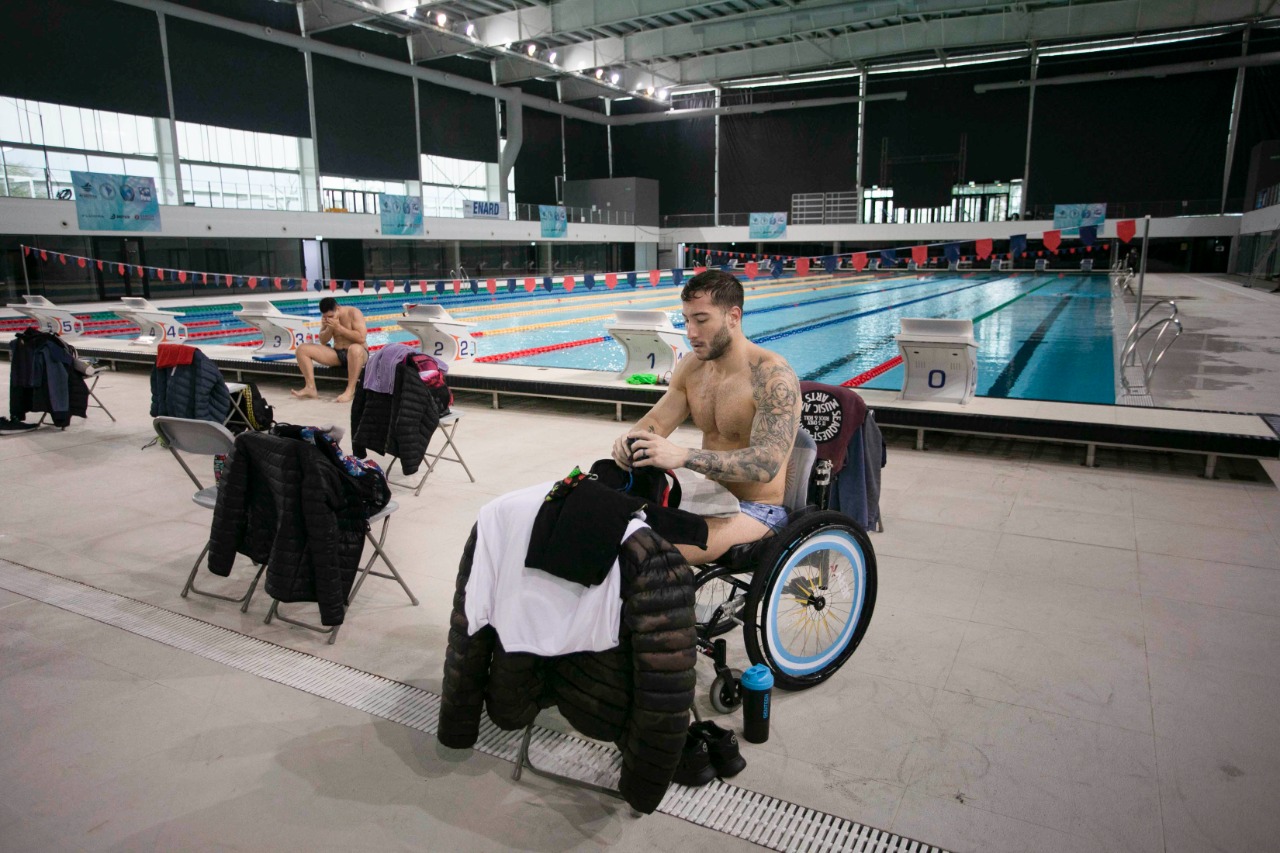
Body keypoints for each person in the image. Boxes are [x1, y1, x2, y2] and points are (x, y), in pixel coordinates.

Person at [612, 269, 801, 564]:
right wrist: (630, 441)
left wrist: (683, 456)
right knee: (610, 525)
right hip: (708, 497)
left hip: (757, 510)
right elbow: (657, 422)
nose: (690, 333)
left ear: (733, 317)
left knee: (643, 554)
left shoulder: (772, 376)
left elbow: (767, 464)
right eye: (687, 320)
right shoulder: (692, 367)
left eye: (701, 320)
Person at [292, 296, 368, 403]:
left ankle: (350, 390)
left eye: (331, 316)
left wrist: (339, 328)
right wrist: (330, 328)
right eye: (326, 317)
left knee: (354, 349)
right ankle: (310, 388)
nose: (329, 319)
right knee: (302, 349)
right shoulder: (327, 318)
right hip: (338, 354)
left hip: (359, 353)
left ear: (337, 308)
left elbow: (361, 338)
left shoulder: (353, 313)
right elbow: (323, 341)